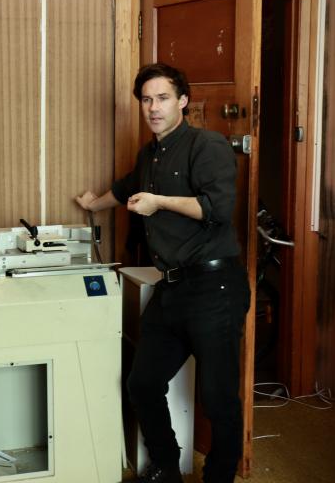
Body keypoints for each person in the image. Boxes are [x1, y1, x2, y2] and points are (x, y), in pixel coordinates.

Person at [76, 63, 250, 483]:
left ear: (183, 101)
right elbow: (127, 187)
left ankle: (220, 477)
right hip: (171, 290)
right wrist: (92, 205)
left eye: (163, 98)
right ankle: (167, 466)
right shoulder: (149, 153)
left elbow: (217, 209)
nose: (153, 108)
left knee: (219, 397)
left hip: (215, 288)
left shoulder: (207, 145)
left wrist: (160, 202)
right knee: (143, 383)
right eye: (146, 100)